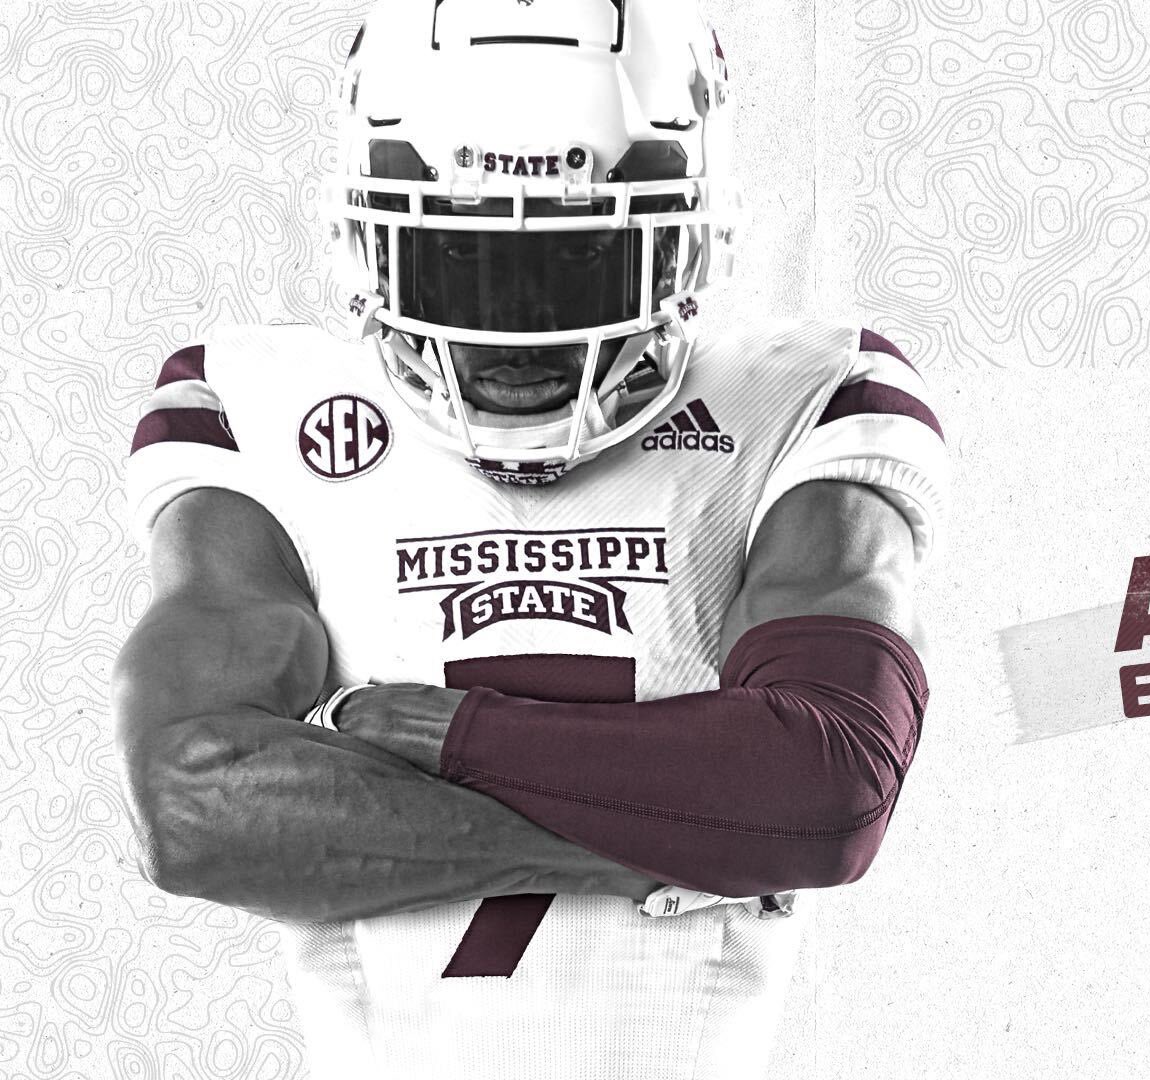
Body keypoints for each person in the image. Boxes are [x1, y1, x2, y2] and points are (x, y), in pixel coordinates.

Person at [111, 2, 947, 1077]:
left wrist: (442, 734)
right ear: (365, 235)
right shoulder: (253, 404)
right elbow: (186, 807)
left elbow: (828, 790)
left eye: (581, 264)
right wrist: (664, 839)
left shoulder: (808, 395)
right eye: (457, 261)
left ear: (694, 233)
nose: (516, 333)